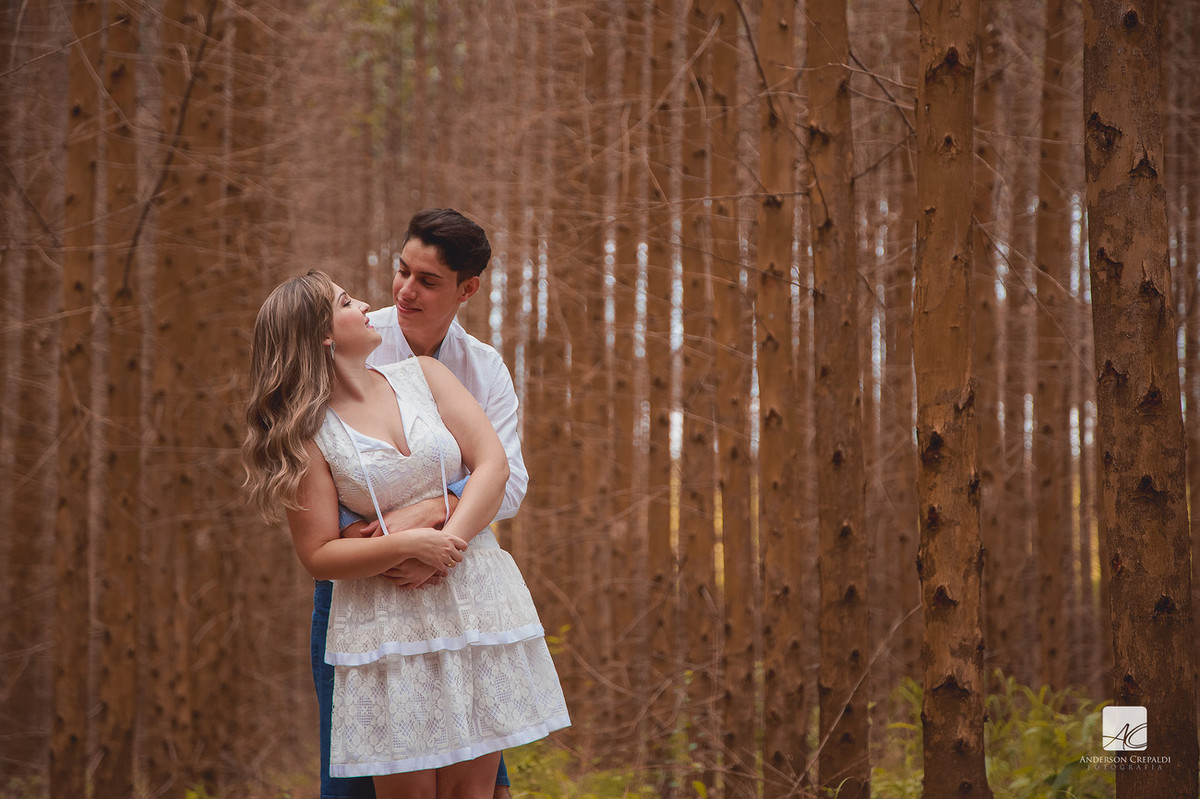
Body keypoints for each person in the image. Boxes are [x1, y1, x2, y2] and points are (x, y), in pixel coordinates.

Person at [243, 269, 569, 799]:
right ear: (323, 334)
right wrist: (408, 546)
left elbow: (493, 466)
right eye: (347, 302)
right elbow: (318, 554)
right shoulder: (306, 434)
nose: (367, 306)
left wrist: (445, 548)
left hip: (474, 598)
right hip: (385, 620)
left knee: (475, 793)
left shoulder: (426, 375)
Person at [328, 208, 531, 799]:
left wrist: (435, 531)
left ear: (467, 289)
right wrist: (397, 538)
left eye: (427, 281)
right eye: (401, 271)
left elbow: (509, 481)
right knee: (351, 778)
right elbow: (321, 462)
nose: (404, 291)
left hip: (461, 582)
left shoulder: (482, 367)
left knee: (477, 779)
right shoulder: (353, 341)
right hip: (369, 586)